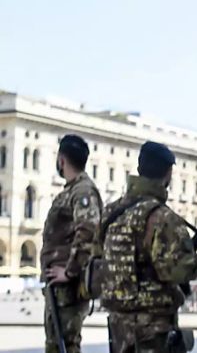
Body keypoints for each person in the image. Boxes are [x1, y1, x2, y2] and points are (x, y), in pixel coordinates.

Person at [101, 141, 197, 353]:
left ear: (139, 169)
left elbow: (98, 258)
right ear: (168, 174)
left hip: (118, 325)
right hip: (152, 327)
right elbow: (178, 269)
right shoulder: (163, 218)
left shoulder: (111, 212)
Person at [40, 134, 102, 353]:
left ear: (61, 160)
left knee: (65, 345)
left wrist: (69, 271)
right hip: (59, 288)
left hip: (68, 288)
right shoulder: (72, 190)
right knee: (57, 344)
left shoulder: (82, 191)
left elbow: (88, 231)